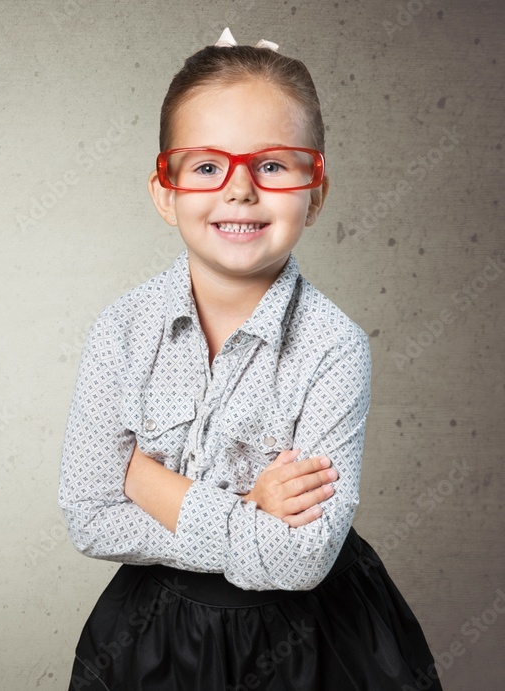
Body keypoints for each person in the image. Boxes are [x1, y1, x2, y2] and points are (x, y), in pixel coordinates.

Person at [56, 27, 442, 691]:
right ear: (166, 191)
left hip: (307, 645)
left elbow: (299, 557)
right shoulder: (121, 331)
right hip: (152, 642)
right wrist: (246, 504)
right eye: (207, 166)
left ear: (313, 194)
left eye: (273, 164)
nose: (240, 190)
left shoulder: (333, 345)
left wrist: (151, 482)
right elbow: (89, 514)